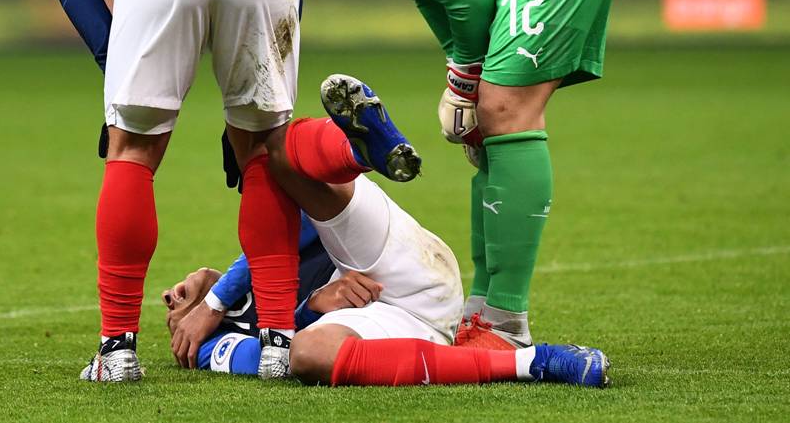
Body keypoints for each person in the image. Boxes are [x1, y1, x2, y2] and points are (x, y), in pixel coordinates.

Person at [268, 0, 629, 349]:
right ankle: (482, 313)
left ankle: (504, 324)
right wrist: (460, 73)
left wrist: (463, 81)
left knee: (505, 108)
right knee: (489, 116)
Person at [52, 0, 327, 381]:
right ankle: (277, 348)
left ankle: (116, 352)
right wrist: (252, 122)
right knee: (265, 155)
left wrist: (117, 81)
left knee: (131, 154)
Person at [164, 74, 610, 387]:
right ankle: (532, 363)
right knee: (307, 355)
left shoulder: (246, 264)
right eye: (172, 309)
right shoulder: (208, 343)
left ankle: (361, 153)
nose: (171, 294)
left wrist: (217, 297)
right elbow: (272, 363)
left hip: (397, 263)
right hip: (395, 322)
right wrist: (312, 309)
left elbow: (299, 223)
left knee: (283, 158)